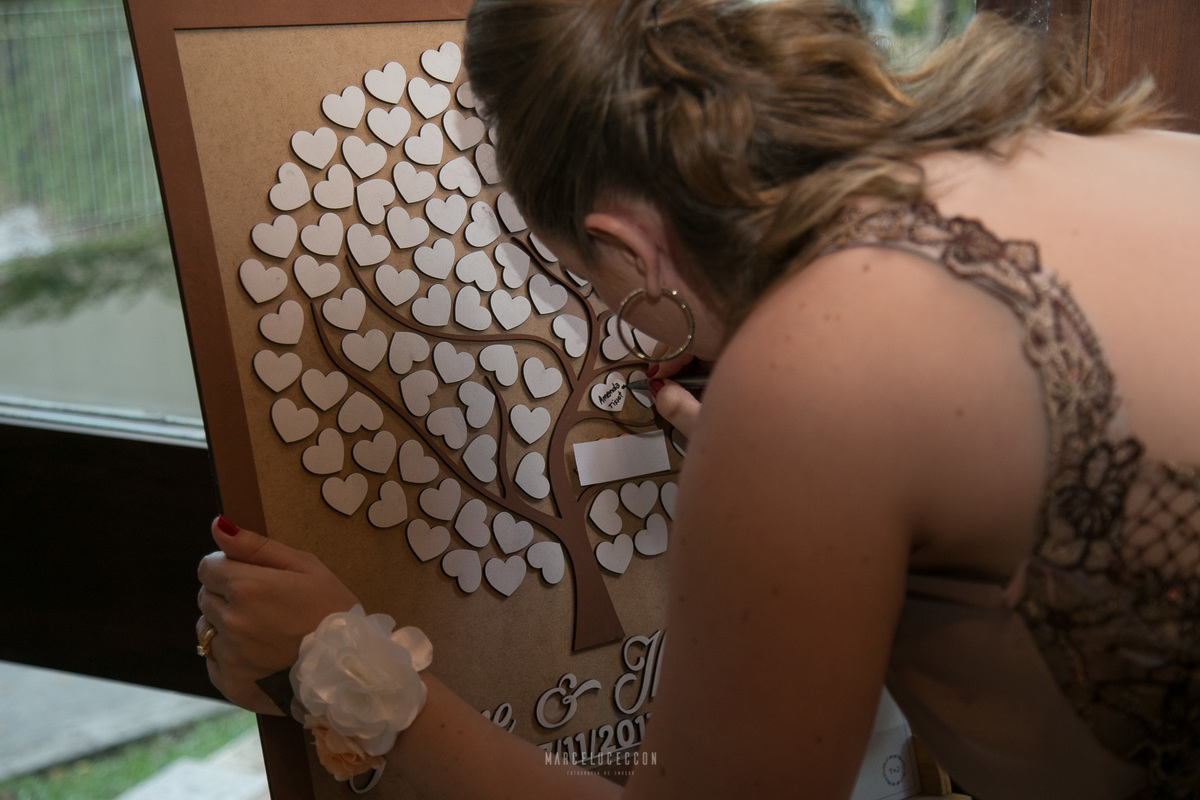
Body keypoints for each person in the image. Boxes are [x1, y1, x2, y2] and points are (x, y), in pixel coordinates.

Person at [195, 0, 1200, 797]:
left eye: (590, 282)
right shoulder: (1114, 146)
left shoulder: (815, 366)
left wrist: (348, 675)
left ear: (633, 250)